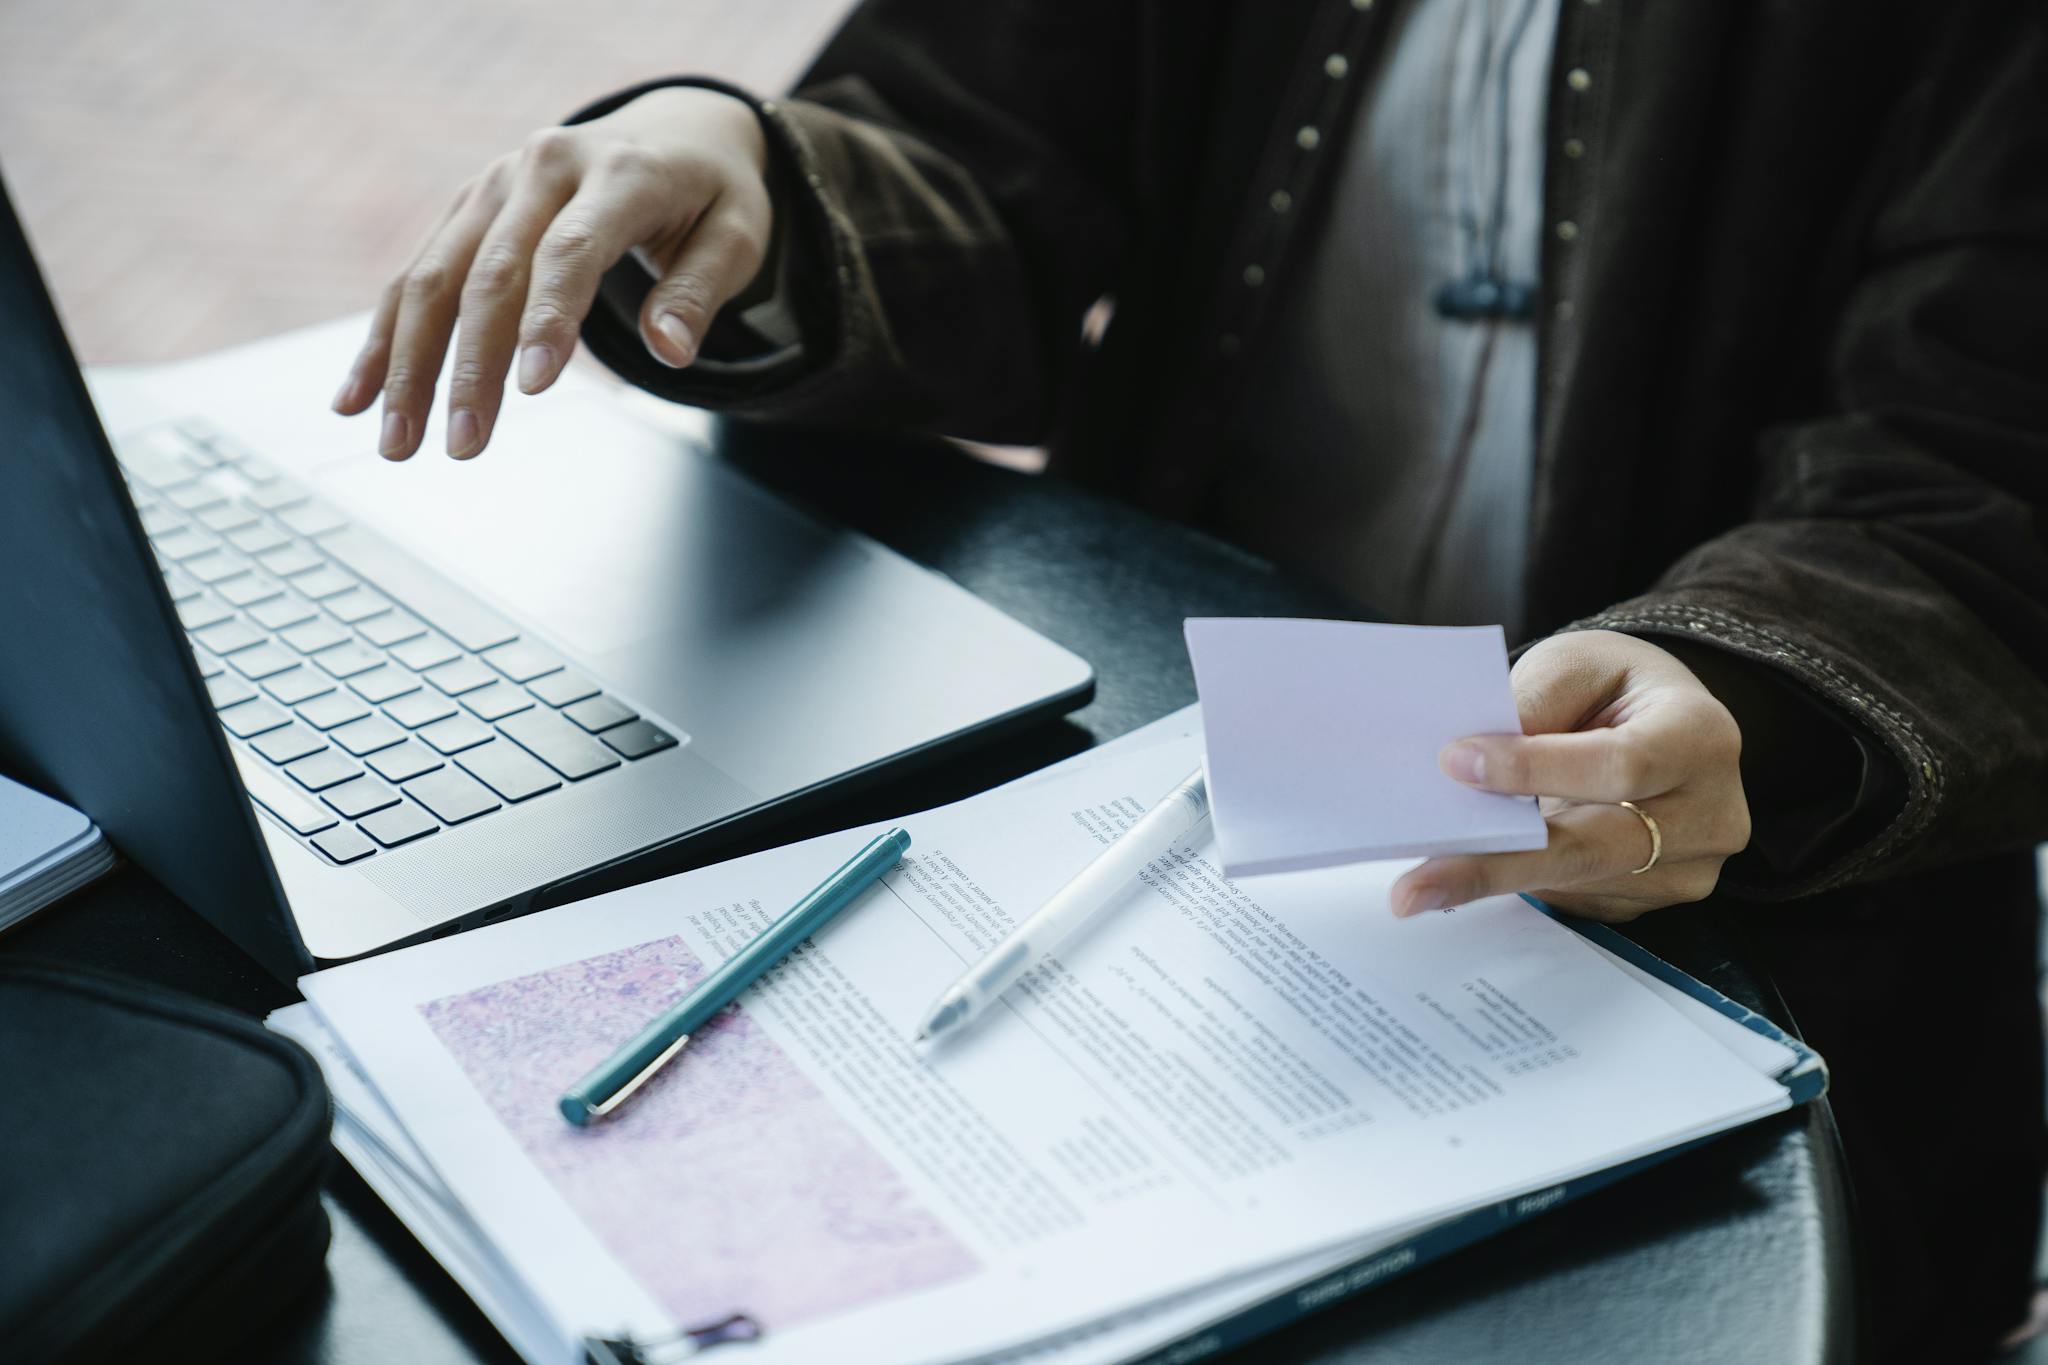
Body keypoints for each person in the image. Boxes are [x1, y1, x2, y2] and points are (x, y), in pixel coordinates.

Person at [331, 2, 2048, 1358]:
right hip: (1160, 798)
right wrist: (753, 178)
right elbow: (973, 145)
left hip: (1728, 927)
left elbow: (1978, 466)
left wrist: (1742, 684)